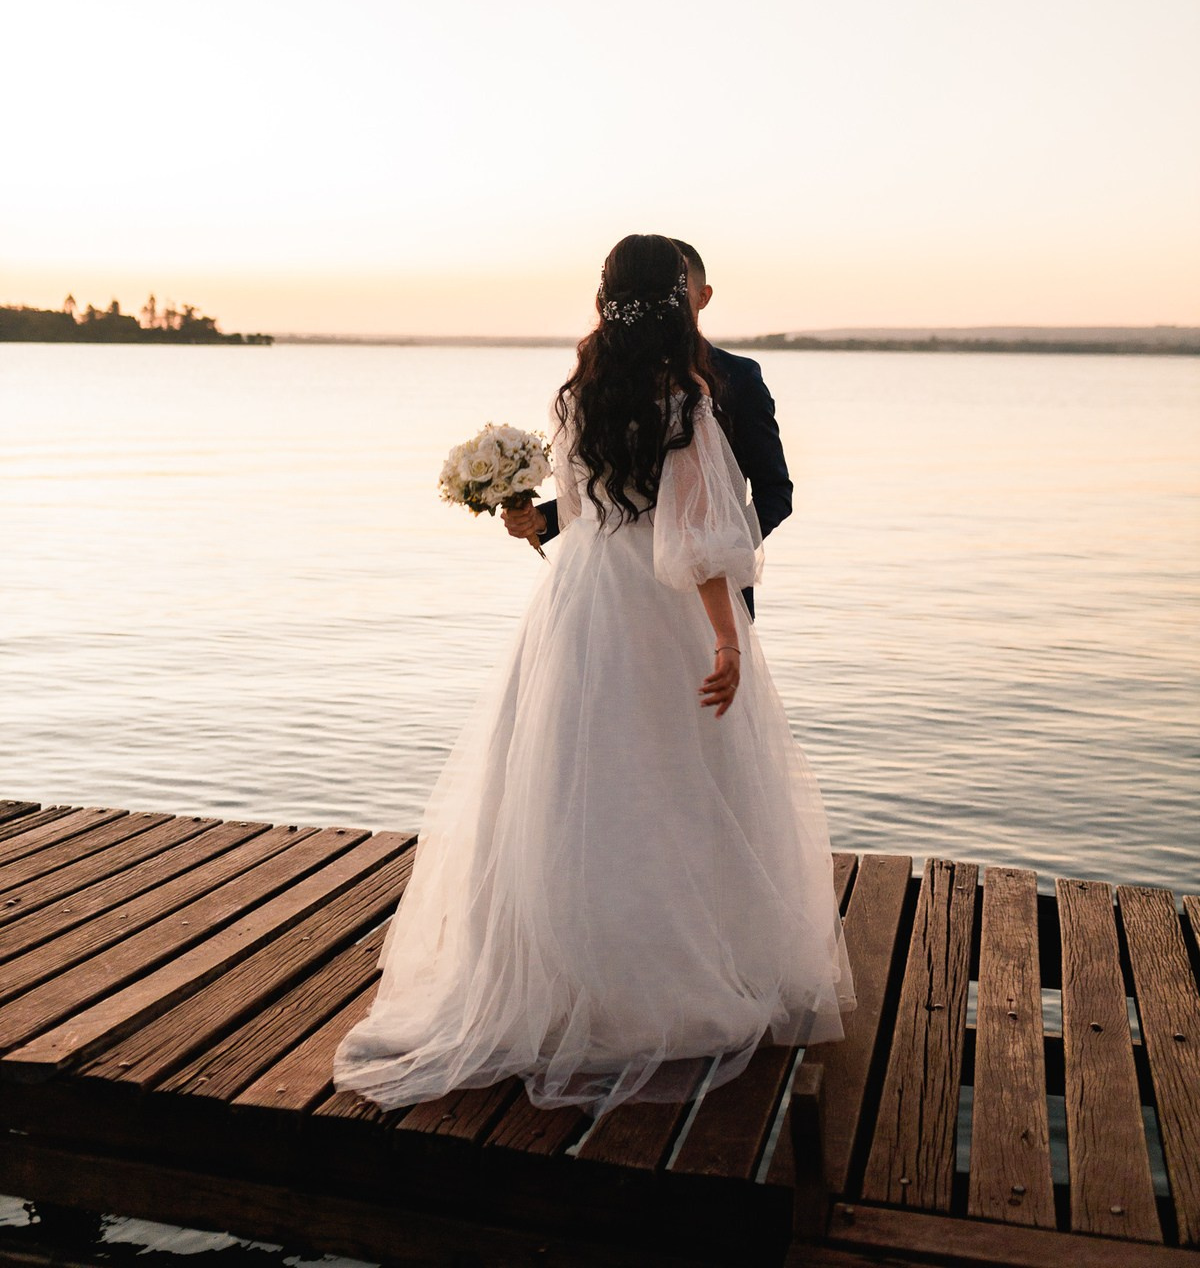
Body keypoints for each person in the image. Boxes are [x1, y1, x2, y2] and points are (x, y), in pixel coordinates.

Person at [332, 234, 854, 1120]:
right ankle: (661, 976)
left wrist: (603, 530)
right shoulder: (681, 392)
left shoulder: (583, 389)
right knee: (666, 785)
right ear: (684, 296)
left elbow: (700, 502)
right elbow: (674, 529)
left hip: (583, 610)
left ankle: (580, 976)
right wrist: (717, 627)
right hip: (667, 608)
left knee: (581, 785)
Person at [504, 240, 791, 619]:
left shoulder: (739, 377)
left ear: (701, 297)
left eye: (670, 291)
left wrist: (715, 556)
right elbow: (613, 484)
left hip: (705, 598)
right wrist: (540, 520)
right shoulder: (599, 382)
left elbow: (775, 492)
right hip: (608, 589)